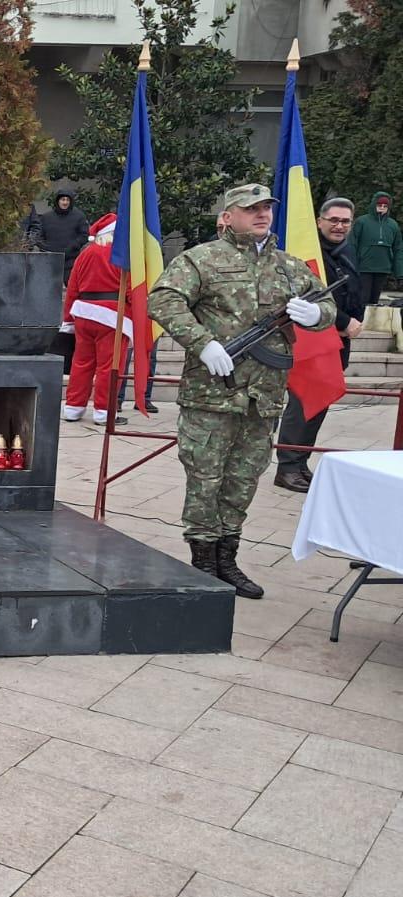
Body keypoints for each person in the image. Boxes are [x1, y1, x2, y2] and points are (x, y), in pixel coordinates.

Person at [147, 183, 335, 599]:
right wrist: (203, 343)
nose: (262, 214)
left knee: (244, 480)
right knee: (205, 478)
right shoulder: (201, 258)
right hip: (211, 394)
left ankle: (227, 559)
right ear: (227, 217)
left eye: (266, 207)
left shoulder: (288, 266)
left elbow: (326, 305)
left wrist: (316, 314)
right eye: (251, 208)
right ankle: (202, 561)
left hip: (263, 396)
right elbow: (163, 300)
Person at [274, 197, 365, 493]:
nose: (339, 226)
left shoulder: (345, 251)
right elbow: (306, 297)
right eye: (333, 220)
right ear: (319, 221)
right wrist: (343, 322)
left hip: (337, 341)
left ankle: (300, 462)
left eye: (345, 221)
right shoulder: (309, 254)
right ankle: (288, 466)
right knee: (304, 401)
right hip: (314, 339)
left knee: (319, 404)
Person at [62, 213, 127, 426]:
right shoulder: (124, 255)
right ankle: (104, 411)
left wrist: (67, 319)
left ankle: (73, 408)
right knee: (109, 366)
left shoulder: (85, 254)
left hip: (83, 313)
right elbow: (132, 289)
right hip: (112, 316)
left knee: (81, 363)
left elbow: (72, 288)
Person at [350, 191, 402, 311]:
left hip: (383, 268)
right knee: (362, 298)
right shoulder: (362, 222)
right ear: (374, 205)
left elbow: (398, 249)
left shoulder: (393, 225)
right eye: (379, 205)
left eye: (385, 206)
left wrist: (400, 274)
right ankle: (358, 319)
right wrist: (351, 266)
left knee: (374, 301)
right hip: (364, 267)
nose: (382, 208)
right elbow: (352, 244)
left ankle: (370, 320)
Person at [38, 188, 90, 285]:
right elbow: (38, 236)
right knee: (48, 288)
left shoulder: (79, 216)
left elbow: (84, 235)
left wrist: (73, 246)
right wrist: (46, 248)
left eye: (67, 200)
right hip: (50, 260)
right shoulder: (46, 217)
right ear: (58, 201)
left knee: (72, 286)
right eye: (63, 199)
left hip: (71, 260)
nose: (65, 202)